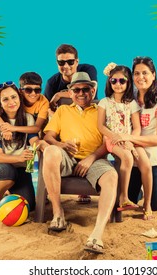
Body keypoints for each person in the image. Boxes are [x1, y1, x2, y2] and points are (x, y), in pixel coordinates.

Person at [42, 72, 118, 254]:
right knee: (51, 151)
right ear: (70, 92)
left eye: (86, 89)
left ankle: (97, 234)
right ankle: (58, 213)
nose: (81, 93)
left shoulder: (102, 110)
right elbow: (48, 136)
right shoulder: (62, 111)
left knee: (111, 176)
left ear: (93, 91)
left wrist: (90, 158)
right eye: (76, 89)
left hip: (95, 159)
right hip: (67, 157)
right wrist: (61, 144)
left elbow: (107, 142)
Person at [0, 81, 49, 213]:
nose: (11, 102)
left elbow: (34, 140)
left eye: (14, 97)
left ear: (19, 98)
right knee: (6, 171)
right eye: (5, 99)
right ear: (0, 103)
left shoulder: (28, 118)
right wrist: (20, 157)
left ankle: (8, 188)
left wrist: (41, 144)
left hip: (19, 168)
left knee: (29, 205)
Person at [117, 57, 157, 211]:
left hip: (156, 154)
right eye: (136, 73)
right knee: (129, 198)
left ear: (153, 75)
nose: (140, 77)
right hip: (135, 152)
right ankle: (142, 190)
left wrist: (130, 138)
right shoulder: (130, 97)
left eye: (145, 73)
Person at [98, 63, 153, 220]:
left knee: (145, 164)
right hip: (111, 140)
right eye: (114, 81)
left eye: (122, 81)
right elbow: (100, 126)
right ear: (109, 82)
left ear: (128, 83)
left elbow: (136, 128)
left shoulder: (132, 103)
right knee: (128, 158)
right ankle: (123, 196)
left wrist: (129, 140)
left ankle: (147, 204)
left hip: (129, 140)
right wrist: (115, 137)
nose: (118, 84)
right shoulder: (105, 102)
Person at [44, 44, 97, 204]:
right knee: (48, 143)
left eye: (70, 62)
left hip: (90, 118)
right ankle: (50, 189)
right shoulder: (52, 82)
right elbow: (48, 108)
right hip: (64, 124)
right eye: (61, 63)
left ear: (77, 61)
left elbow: (89, 91)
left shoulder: (88, 70)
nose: (66, 66)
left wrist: (60, 94)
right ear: (57, 63)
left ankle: (83, 189)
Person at [0, 72, 49, 140]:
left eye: (37, 90)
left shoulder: (43, 102)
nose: (33, 93)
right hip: (17, 124)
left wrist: (13, 128)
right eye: (28, 90)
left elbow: (37, 128)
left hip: (34, 129)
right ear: (20, 91)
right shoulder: (15, 98)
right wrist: (4, 128)